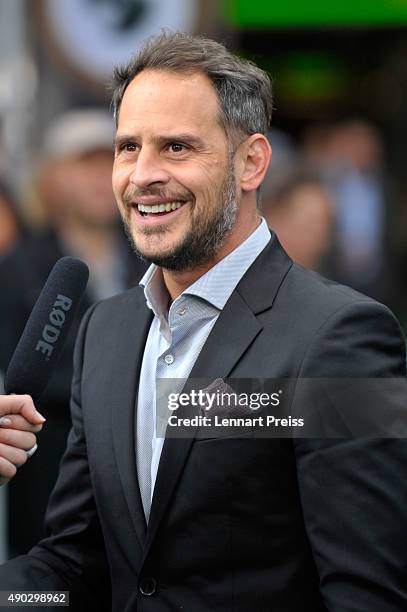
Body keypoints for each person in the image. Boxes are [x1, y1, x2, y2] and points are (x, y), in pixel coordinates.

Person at [0, 31, 406, 612]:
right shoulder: (107, 333)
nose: (142, 175)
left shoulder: (343, 338)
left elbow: (368, 595)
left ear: (251, 162)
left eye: (176, 148)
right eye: (127, 147)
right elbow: (74, 570)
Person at [0, 109, 147, 556]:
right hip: (50, 482)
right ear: (53, 177)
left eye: (111, 161)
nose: (98, 178)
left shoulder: (154, 261)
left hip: (142, 491)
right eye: (83, 164)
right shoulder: (18, 267)